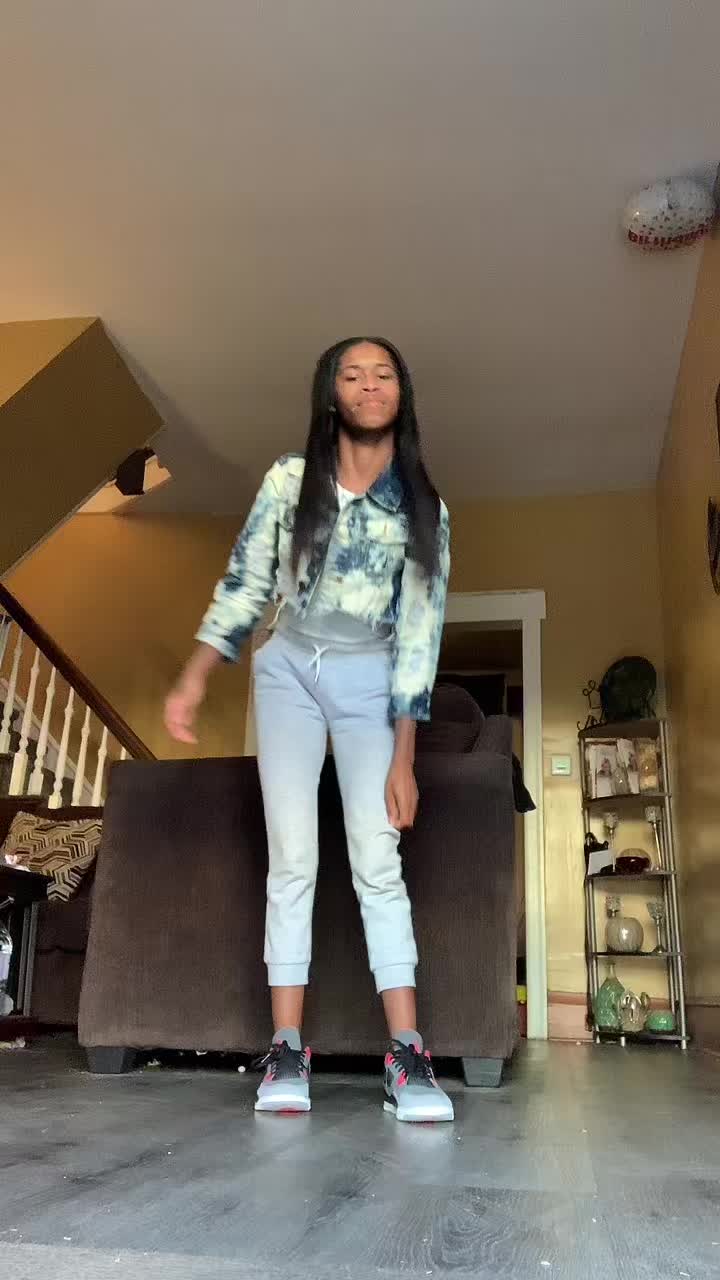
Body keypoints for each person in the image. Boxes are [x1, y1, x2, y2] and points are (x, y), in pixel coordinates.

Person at [164, 337, 453, 1123]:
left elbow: (419, 638)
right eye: (352, 375)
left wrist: (404, 758)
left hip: (371, 678)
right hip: (287, 667)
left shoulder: (424, 509)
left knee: (376, 859)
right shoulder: (290, 482)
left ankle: (408, 1056)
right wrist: (196, 673)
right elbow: (246, 582)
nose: (369, 385)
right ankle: (286, 1049)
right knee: (292, 857)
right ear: (333, 395)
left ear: (401, 394)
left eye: (383, 374)